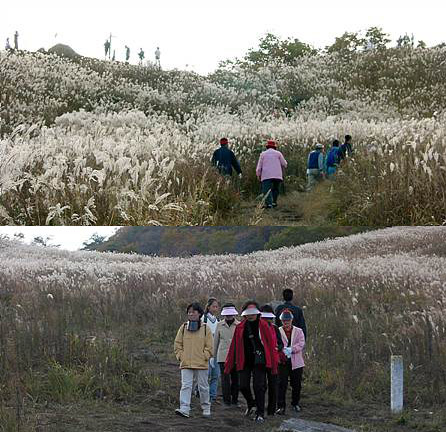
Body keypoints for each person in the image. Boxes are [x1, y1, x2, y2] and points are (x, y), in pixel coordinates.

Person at [225, 300, 276, 423]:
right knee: (242, 386)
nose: (251, 315)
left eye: (253, 312)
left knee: (259, 386)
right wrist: (228, 365)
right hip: (244, 361)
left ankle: (260, 413)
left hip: (260, 361)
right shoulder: (240, 327)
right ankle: (251, 404)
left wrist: (274, 365)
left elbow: (271, 345)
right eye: (248, 312)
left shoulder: (264, 325)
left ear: (257, 313)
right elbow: (234, 347)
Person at [174, 302, 213, 418]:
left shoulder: (206, 328)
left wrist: (204, 356)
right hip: (186, 363)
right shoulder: (183, 328)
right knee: (186, 386)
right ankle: (184, 408)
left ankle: (206, 408)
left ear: (199, 313)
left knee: (203, 387)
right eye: (189, 312)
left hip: (201, 364)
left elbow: (210, 347)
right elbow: (177, 344)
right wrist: (181, 356)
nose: (190, 314)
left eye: (193, 312)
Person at [276, 309, 305, 415]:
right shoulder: (278, 330)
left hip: (296, 361)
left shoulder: (299, 331)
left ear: (291, 320)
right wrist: (282, 350)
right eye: (284, 321)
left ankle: (295, 403)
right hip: (282, 361)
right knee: (281, 384)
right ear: (281, 321)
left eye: (288, 321)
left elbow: (301, 343)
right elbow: (276, 343)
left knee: (296, 384)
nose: (286, 323)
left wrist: (291, 349)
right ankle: (280, 406)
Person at [213, 303, 240, 407]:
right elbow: (216, 342)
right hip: (222, 356)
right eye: (226, 314)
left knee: (236, 379)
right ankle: (226, 401)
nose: (228, 316)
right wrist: (213, 357)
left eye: (230, 314)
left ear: (234, 314)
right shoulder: (219, 325)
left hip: (236, 356)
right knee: (225, 380)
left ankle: (235, 400)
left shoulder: (239, 325)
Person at [260, 305, 282, 417]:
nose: (267, 320)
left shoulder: (275, 328)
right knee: (261, 386)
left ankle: (271, 410)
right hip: (262, 361)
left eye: (269, 318)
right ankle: (260, 408)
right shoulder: (257, 328)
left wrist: (277, 348)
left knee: (273, 386)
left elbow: (281, 343)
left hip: (274, 360)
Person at [256, 140, 288, 209]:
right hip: (277, 175)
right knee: (275, 189)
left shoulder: (263, 154)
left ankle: (269, 204)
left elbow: (259, 167)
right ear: (274, 147)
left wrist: (258, 175)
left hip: (266, 175)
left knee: (267, 190)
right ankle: (274, 202)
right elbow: (285, 164)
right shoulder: (278, 153)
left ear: (267, 147)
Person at [202, 298, 220, 403]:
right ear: (208, 307)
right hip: (206, 350)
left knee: (216, 374)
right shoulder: (203, 319)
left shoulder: (218, 320)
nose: (215, 308)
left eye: (217, 306)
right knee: (205, 374)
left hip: (216, 350)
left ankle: (212, 395)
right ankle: (200, 391)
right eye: (213, 306)